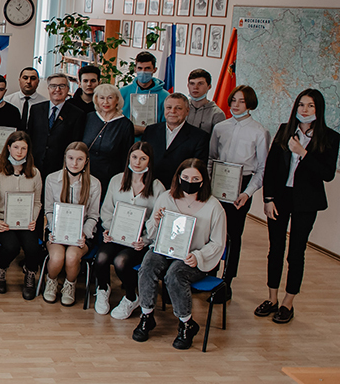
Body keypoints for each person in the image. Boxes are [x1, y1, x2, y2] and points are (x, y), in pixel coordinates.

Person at [258, 89, 339, 324]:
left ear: (318, 109)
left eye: (310, 106)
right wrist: (268, 199)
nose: (304, 110)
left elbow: (327, 174)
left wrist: (303, 153)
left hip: (306, 201)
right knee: (275, 248)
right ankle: (272, 298)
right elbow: (271, 167)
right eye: (301, 105)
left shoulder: (330, 137)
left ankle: (288, 302)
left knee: (296, 252)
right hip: (280, 197)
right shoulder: (285, 130)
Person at [132, 159, 226, 350]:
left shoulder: (214, 207)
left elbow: (218, 243)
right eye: (185, 177)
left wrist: (198, 256)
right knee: (148, 266)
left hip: (192, 257)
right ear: (178, 177)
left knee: (175, 274)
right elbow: (151, 232)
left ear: (203, 180)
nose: (189, 182)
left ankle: (186, 323)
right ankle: (147, 315)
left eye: (195, 178)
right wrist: (156, 221)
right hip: (165, 250)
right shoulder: (166, 197)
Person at [208, 85, 270, 299]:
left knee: (233, 235)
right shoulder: (220, 128)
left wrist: (248, 193)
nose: (236, 105)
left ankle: (227, 281)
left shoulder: (259, 132)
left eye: (241, 101)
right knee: (213, 232)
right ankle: (209, 274)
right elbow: (212, 158)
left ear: (250, 103)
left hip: (241, 186)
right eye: (233, 100)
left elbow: (262, 168)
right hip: (218, 182)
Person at [93, 142, 165, 320]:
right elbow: (106, 210)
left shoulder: (157, 187)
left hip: (138, 242)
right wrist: (108, 229)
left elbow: (158, 221)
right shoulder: (117, 180)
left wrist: (145, 240)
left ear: (149, 161)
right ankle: (102, 289)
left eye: (143, 158)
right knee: (101, 258)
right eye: (134, 157)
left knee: (121, 261)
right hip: (115, 236)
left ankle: (132, 297)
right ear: (129, 158)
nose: (137, 162)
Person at [42, 142, 101, 307]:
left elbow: (93, 215)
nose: (74, 163)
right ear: (65, 159)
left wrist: (84, 233)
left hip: (81, 234)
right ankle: (51, 280)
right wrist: (54, 229)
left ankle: (70, 284)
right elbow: (48, 210)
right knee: (57, 257)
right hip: (56, 231)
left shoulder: (94, 183)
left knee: (72, 256)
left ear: (86, 161)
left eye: (79, 159)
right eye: (71, 158)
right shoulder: (52, 179)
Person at [0, 131, 43, 300]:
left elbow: (37, 202)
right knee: (11, 247)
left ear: (28, 150)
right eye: (16, 147)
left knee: (33, 248)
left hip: (26, 221)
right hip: (3, 220)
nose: (19, 152)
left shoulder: (35, 173)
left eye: (23, 148)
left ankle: (30, 274)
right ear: (8, 148)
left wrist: (32, 219)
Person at [143, 93, 210, 189]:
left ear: (187, 111)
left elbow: (197, 169)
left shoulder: (200, 137)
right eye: (169, 107)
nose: (172, 111)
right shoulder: (150, 130)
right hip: (149, 187)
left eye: (178, 108)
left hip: (179, 190)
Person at [27, 73, 85, 177]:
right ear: (48, 88)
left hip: (60, 168)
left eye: (62, 86)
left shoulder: (77, 114)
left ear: (67, 89)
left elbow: (75, 143)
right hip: (34, 165)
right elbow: (30, 136)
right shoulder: (36, 109)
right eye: (53, 86)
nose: (57, 90)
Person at [81, 83, 134, 191]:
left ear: (117, 100)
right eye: (102, 98)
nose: (105, 102)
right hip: (85, 174)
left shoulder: (125, 124)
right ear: (96, 100)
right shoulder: (89, 117)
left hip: (110, 178)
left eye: (110, 98)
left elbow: (126, 156)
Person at [119, 52, 169, 135]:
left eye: (147, 68)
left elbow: (166, 124)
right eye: (140, 68)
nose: (143, 72)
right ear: (135, 69)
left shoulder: (165, 96)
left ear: (154, 70)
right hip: (126, 138)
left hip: (153, 138)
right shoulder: (122, 92)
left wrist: (144, 130)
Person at [185, 68, 226, 136]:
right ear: (188, 86)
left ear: (209, 87)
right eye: (192, 83)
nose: (195, 87)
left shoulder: (217, 114)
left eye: (200, 83)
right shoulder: (182, 108)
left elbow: (220, 139)